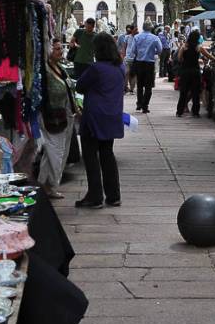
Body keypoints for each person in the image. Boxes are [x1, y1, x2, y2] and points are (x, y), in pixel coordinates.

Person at [74, 33, 125, 208]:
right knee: (107, 154)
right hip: (112, 115)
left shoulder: (96, 68)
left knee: (90, 156)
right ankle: (113, 195)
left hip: (94, 117)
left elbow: (79, 86)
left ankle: (95, 196)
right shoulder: (120, 67)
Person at [38, 40, 78, 200]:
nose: (60, 51)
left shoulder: (59, 68)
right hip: (52, 117)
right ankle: (52, 185)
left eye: (61, 48)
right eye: (56, 49)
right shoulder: (46, 71)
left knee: (53, 152)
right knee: (56, 151)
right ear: (49, 51)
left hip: (65, 114)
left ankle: (44, 183)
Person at [176, 29, 215, 117]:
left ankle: (179, 111)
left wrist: (185, 61)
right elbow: (209, 56)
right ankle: (195, 112)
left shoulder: (184, 46)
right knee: (195, 92)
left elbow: (179, 58)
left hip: (185, 71)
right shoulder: (199, 47)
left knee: (183, 91)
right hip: (195, 71)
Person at [126, 22, 162, 113]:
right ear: (150, 28)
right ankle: (145, 106)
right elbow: (160, 50)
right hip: (149, 63)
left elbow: (133, 50)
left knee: (140, 85)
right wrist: (153, 52)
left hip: (139, 63)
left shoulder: (137, 37)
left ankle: (139, 104)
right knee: (148, 86)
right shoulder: (155, 38)